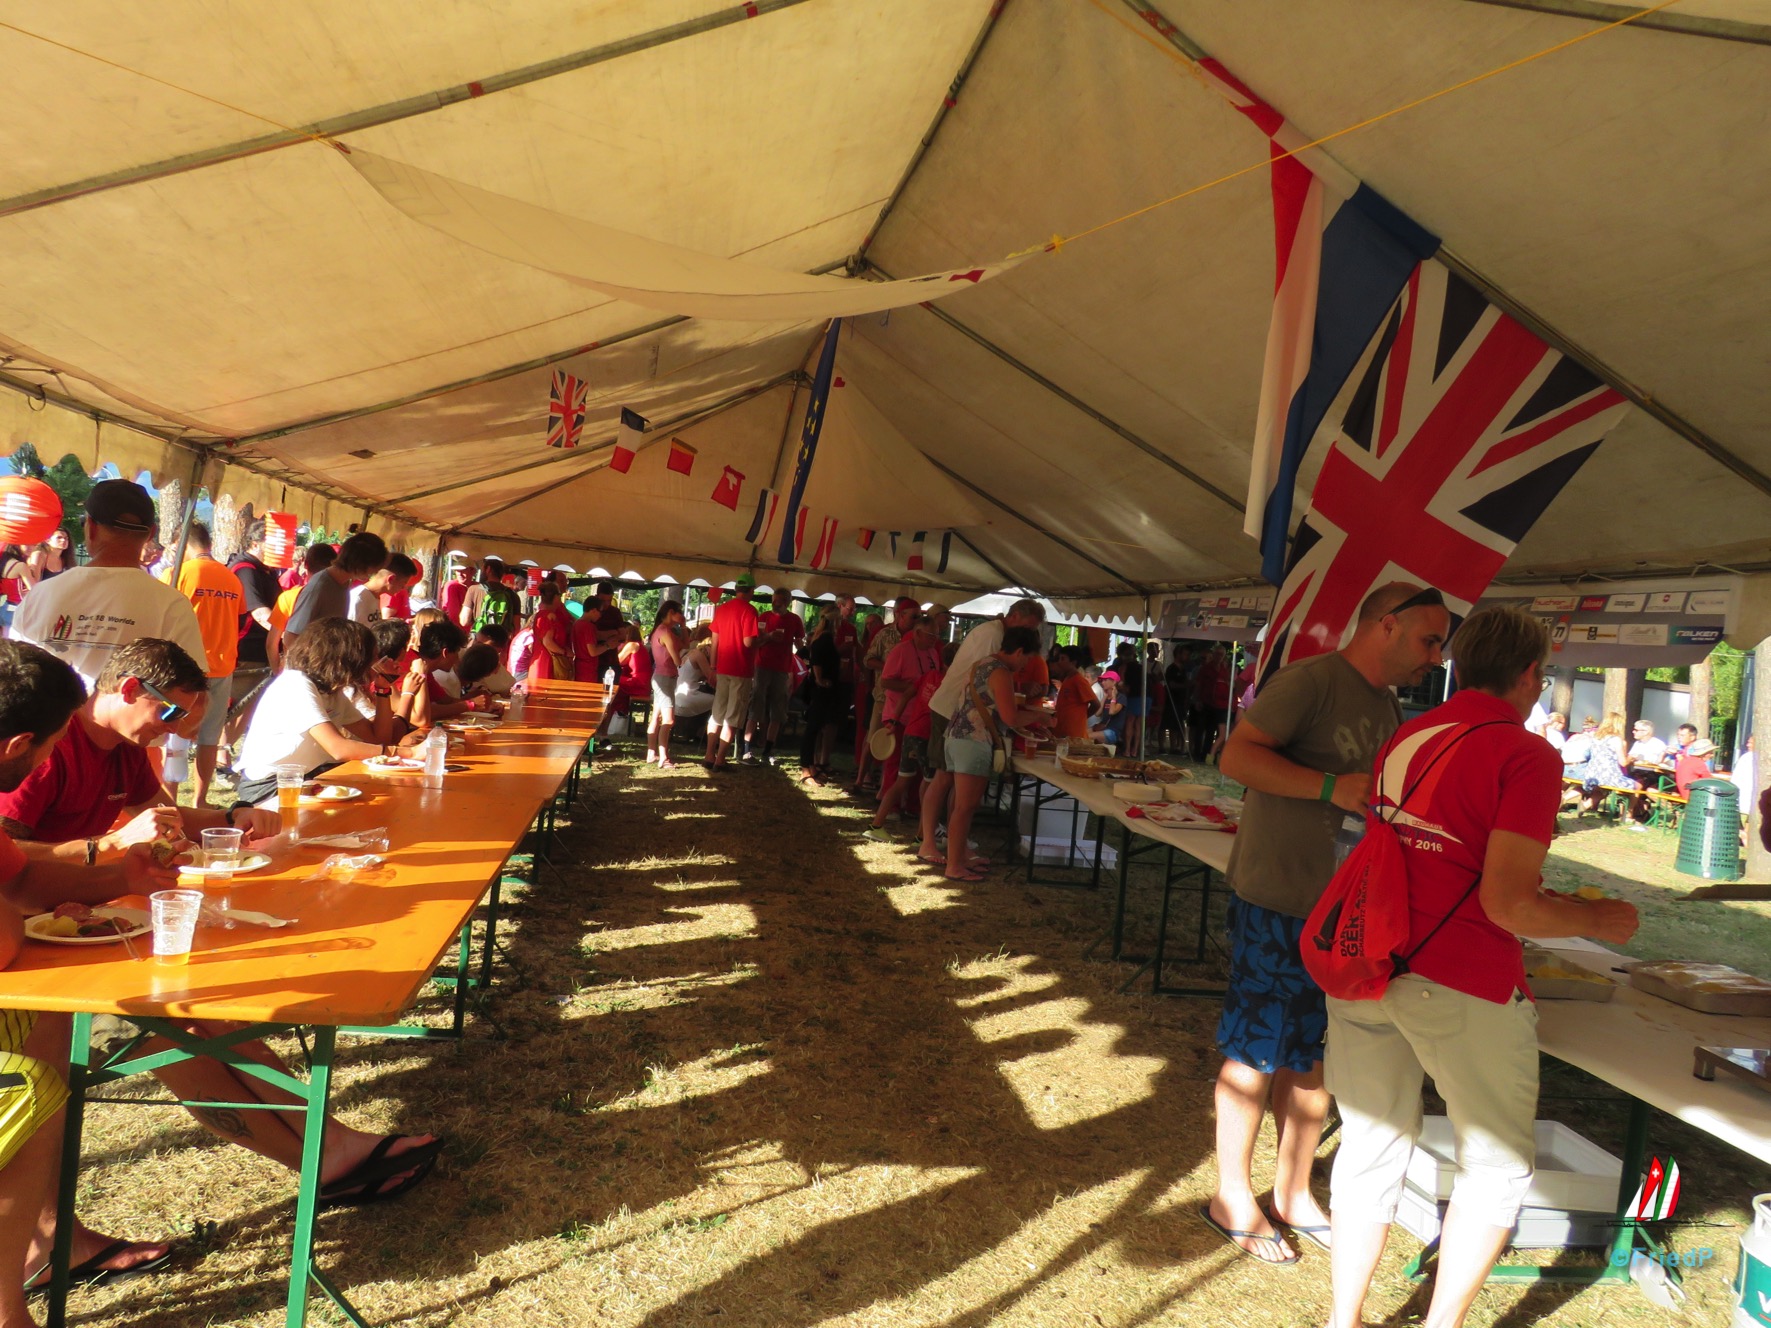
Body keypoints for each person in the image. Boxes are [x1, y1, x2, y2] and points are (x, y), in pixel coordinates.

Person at [1321, 607, 1638, 1328]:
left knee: (1370, 1146)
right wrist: (1596, 921)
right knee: (1494, 1169)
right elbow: (1508, 904)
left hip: (1371, 960)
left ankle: (1343, 1319)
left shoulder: (1408, 733)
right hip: (1458, 976)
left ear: (1460, 666)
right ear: (1529, 674)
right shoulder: (1526, 755)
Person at [1203, 582, 1448, 1266]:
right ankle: (1230, 1196)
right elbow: (1235, 757)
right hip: (1277, 900)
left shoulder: (1386, 702)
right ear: (1386, 625)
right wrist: (1329, 787)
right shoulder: (1309, 681)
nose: (1436, 656)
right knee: (1256, 1051)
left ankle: (1291, 1191)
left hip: (1340, 914)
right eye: (1429, 640)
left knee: (1314, 1057)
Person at [9, 480, 207, 690]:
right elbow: (193, 692)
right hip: (131, 711)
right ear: (151, 534)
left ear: (91, 527)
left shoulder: (40, 594)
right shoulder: (172, 605)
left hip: (52, 710)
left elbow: (14, 672)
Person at [918, 600, 1047, 871]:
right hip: (953, 712)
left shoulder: (997, 636)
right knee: (943, 780)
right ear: (1014, 616)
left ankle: (955, 846)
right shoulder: (992, 636)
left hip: (961, 716)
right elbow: (987, 680)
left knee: (956, 788)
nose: (1029, 633)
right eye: (1028, 627)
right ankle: (929, 841)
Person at [235, 618, 421, 803]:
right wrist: (409, 754)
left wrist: (382, 689)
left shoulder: (331, 691)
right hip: (269, 787)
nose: (376, 663)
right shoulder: (296, 684)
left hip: (304, 779)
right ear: (349, 658)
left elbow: (379, 738)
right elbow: (338, 748)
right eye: (372, 657)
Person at [158, 523, 244, 808]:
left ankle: (170, 798)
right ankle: (200, 799)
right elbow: (239, 616)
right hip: (221, 664)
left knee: (173, 733)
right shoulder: (231, 577)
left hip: (185, 666)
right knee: (209, 737)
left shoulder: (177, 574)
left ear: (181, 544)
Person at [862, 615, 945, 839]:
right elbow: (886, 681)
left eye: (937, 636)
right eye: (931, 635)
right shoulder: (900, 651)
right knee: (896, 767)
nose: (935, 640)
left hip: (921, 720)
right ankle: (894, 812)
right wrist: (914, 689)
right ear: (917, 633)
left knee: (916, 773)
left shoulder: (933, 653)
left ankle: (914, 810)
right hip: (899, 717)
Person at [281, 530, 387, 658]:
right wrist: (309, 665)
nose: (373, 573)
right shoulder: (320, 586)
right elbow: (290, 636)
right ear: (360, 563)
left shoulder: (344, 583)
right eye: (373, 568)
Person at [225, 517, 282, 748]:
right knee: (237, 705)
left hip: (262, 648)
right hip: (246, 648)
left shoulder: (265, 571)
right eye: (272, 544)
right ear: (256, 543)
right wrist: (286, 635)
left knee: (249, 706)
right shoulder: (245, 570)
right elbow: (259, 612)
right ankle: (221, 754)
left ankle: (224, 751)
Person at [855, 598, 917, 789]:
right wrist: (889, 667)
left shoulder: (917, 638)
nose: (917, 620)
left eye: (919, 616)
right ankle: (860, 779)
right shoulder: (884, 634)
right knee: (873, 737)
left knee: (898, 744)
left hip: (909, 700)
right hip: (884, 696)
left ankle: (885, 784)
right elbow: (868, 660)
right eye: (914, 616)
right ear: (900, 615)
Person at [706, 576, 761, 771]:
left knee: (717, 713)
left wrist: (712, 667)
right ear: (751, 591)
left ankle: (709, 755)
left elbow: (714, 641)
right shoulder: (750, 610)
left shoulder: (722, 609)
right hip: (741, 669)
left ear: (736, 589)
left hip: (722, 668)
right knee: (733, 716)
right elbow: (748, 642)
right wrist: (765, 638)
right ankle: (720, 759)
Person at [743, 587, 803, 766]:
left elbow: (799, 643)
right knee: (756, 705)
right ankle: (747, 749)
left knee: (778, 710)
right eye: (773, 600)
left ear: (787, 602)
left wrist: (806, 654)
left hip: (782, 669)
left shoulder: (794, 620)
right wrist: (769, 636)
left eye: (778, 601)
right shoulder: (764, 617)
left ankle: (768, 751)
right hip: (762, 666)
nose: (774, 604)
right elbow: (754, 642)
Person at [266, 542, 335, 670]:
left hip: (293, 668)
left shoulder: (289, 597)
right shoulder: (339, 598)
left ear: (306, 564)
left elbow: (271, 644)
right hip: (325, 669)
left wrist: (277, 672)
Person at [799, 607, 845, 783]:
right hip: (822, 691)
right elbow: (817, 661)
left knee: (816, 728)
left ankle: (811, 766)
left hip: (826, 690)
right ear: (835, 621)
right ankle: (806, 769)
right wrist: (820, 679)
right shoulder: (824, 639)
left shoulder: (823, 638)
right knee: (813, 729)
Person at [646, 601, 687, 768]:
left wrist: (683, 627)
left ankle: (651, 753)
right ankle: (664, 758)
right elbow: (677, 659)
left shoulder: (662, 630)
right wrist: (684, 657)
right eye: (680, 613)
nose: (682, 616)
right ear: (671, 612)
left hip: (660, 677)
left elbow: (685, 644)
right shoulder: (665, 632)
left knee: (656, 716)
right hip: (665, 679)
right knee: (668, 720)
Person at [572, 581, 626, 685]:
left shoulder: (578, 623)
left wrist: (603, 637)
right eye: (603, 601)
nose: (606, 604)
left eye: (609, 600)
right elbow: (593, 645)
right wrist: (611, 638)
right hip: (590, 666)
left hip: (607, 662)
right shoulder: (588, 625)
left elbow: (623, 635)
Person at [348, 552, 418, 626]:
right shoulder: (357, 599)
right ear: (391, 579)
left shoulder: (377, 598)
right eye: (403, 583)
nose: (403, 588)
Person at [525, 582, 574, 685]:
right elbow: (548, 642)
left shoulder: (540, 614)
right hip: (548, 663)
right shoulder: (549, 616)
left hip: (540, 661)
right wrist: (565, 652)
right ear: (555, 597)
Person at [460, 557, 520, 636]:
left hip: (480, 639)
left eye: (482, 569)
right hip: (501, 640)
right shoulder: (513, 595)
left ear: (488, 569)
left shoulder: (473, 590)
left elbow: (464, 621)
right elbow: (516, 628)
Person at [1051, 645, 1099, 741]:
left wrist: (1081, 718)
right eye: (1059, 658)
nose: (1059, 662)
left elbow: (1096, 704)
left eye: (1063, 659)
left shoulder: (1079, 680)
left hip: (1073, 734)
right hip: (1062, 731)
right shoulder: (1068, 678)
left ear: (1073, 662)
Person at [673, 624, 716, 727]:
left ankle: (698, 730)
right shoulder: (698, 655)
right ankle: (706, 731)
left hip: (676, 697)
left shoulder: (686, 653)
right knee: (720, 701)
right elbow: (712, 678)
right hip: (687, 698)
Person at [613, 623, 653, 717]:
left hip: (638, 683)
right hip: (644, 684)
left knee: (613, 682)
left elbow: (617, 661)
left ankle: (616, 713)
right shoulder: (640, 646)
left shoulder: (632, 645)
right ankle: (621, 712)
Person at [440, 560, 474, 625]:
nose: (459, 574)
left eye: (463, 570)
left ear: (472, 571)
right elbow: (453, 614)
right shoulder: (452, 586)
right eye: (457, 571)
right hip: (456, 627)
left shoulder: (477, 587)